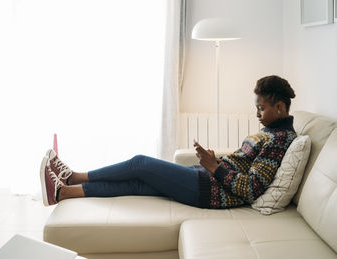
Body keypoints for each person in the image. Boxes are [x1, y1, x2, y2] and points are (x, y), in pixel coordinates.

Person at [40, 75, 297, 208]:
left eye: (261, 109)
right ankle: (62, 193)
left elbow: (252, 188)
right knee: (137, 183)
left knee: (139, 163)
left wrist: (214, 167)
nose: (257, 114)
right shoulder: (272, 133)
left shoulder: (280, 140)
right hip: (208, 181)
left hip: (211, 190)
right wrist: (215, 161)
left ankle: (73, 177)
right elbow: (244, 167)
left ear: (279, 107)